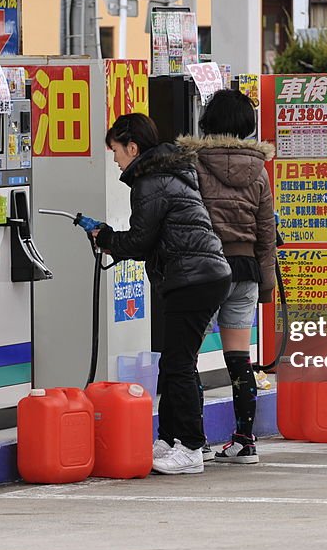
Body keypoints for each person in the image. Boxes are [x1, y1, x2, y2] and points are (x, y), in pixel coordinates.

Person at [92, 113, 231, 475]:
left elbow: (140, 240)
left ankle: (190, 447)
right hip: (202, 274)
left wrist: (106, 238)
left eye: (116, 151)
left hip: (193, 278)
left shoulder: (149, 180)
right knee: (172, 362)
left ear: (133, 147)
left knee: (178, 364)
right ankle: (170, 441)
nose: (115, 159)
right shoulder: (169, 172)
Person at [177, 89, 276, 464]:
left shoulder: (194, 165)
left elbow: (186, 219)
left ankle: (194, 440)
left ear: (208, 122)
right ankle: (244, 441)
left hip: (205, 269)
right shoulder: (259, 172)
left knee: (188, 357)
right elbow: (267, 232)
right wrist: (265, 284)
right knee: (239, 358)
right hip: (246, 268)